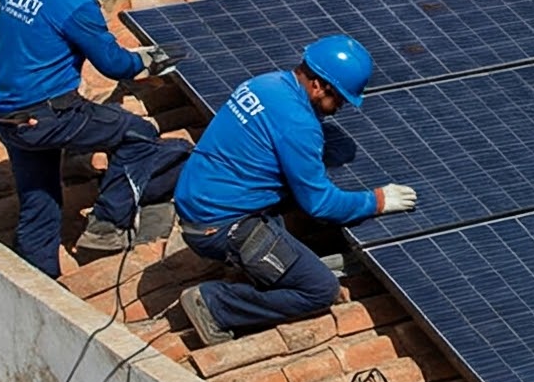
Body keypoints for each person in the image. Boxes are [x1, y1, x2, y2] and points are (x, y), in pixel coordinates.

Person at [0, 0, 190, 277]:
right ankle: (107, 226)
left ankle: (38, 283)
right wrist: (148, 60)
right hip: (49, 115)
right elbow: (112, 64)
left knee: (41, 202)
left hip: (6, 115)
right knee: (139, 134)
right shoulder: (76, 2)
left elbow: (2, 42)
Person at [176, 35, 419, 345]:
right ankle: (215, 304)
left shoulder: (266, 83)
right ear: (318, 85)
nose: (340, 107)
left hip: (200, 199)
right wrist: (378, 201)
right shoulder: (298, 124)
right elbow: (320, 204)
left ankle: (273, 262)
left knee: (292, 211)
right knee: (319, 289)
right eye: (340, 99)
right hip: (221, 227)